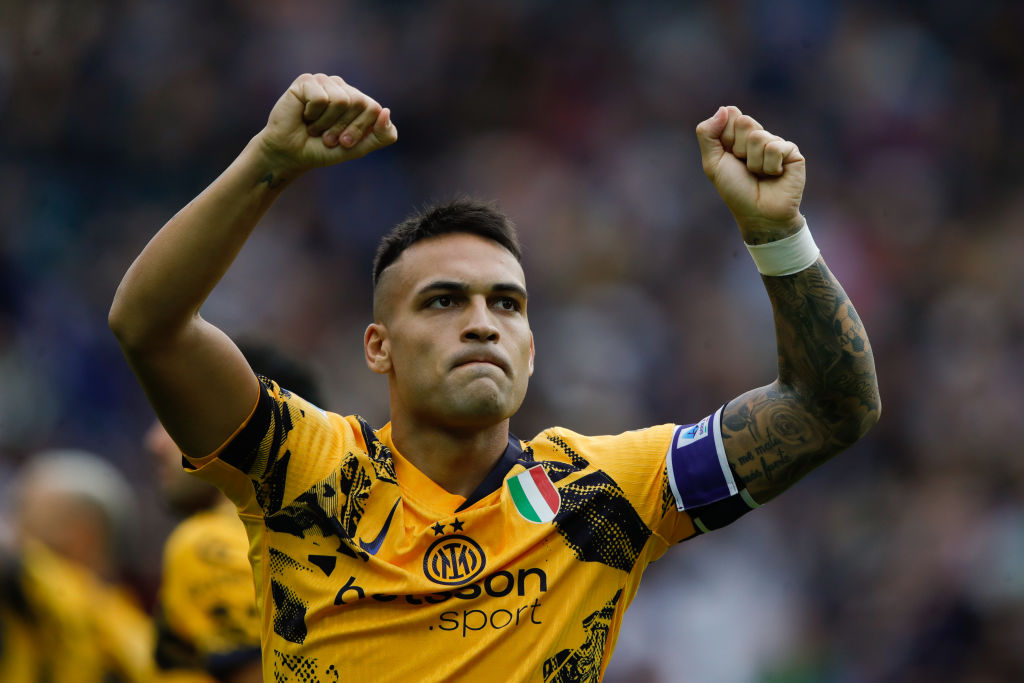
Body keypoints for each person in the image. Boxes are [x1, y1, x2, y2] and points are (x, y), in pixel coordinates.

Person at [109, 73, 880, 681]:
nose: (482, 321)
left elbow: (828, 407)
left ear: (531, 348)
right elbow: (149, 325)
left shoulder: (604, 492)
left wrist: (778, 234)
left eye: (506, 303)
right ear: (378, 347)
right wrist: (267, 165)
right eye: (443, 301)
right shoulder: (304, 468)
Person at [149, 342, 324, 683]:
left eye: (173, 417)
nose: (154, 442)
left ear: (232, 423)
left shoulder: (207, 543)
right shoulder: (342, 538)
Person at [1, 449, 155, 682]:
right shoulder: (139, 633)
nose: (12, 530)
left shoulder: (37, 587)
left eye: (23, 514)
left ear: (79, 535)